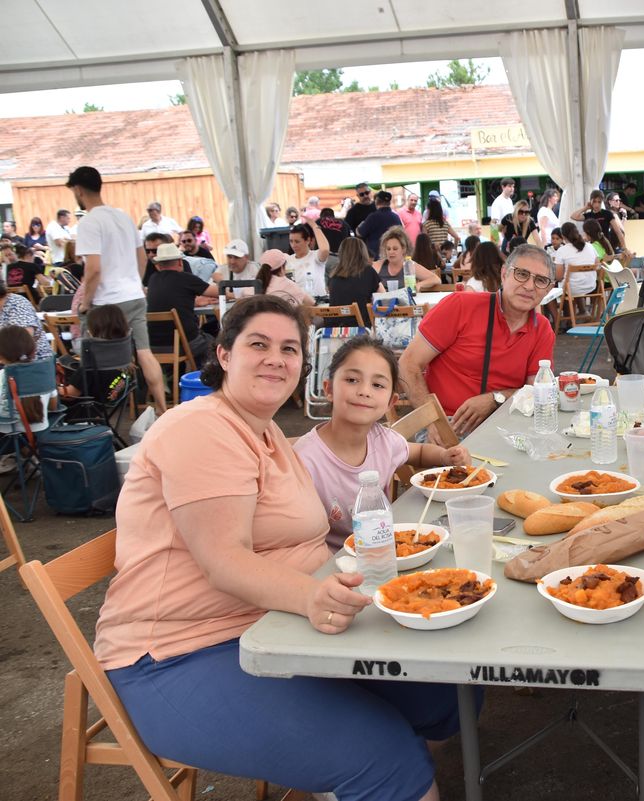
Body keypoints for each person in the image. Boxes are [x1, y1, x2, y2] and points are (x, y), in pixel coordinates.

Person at [95, 294, 468, 801]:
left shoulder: (268, 433)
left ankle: (364, 771)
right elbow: (224, 561)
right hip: (180, 653)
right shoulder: (199, 427)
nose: (276, 358)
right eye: (259, 344)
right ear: (224, 354)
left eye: (289, 349)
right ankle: (382, 773)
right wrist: (312, 594)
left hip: (274, 629)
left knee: (443, 695)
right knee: (384, 758)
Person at [294, 335, 469, 550]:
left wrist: (444, 456)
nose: (364, 391)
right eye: (352, 380)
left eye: (377, 384)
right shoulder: (304, 460)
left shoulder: (384, 441)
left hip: (384, 548)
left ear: (390, 402)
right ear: (329, 389)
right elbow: (297, 536)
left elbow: (420, 452)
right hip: (334, 559)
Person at [398, 244, 556, 444]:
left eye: (540, 280)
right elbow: (408, 363)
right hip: (448, 424)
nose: (529, 286)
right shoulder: (461, 306)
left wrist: (495, 399)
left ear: (548, 289)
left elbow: (536, 393)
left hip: (509, 426)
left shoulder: (542, 329)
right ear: (504, 274)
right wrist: (432, 421)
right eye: (522, 274)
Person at [68, 166, 168, 414]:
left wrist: (85, 303)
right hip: (134, 295)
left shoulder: (88, 222)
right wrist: (134, 282)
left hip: (106, 302)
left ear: (78, 190)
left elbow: (93, 269)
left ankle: (94, 413)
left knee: (92, 359)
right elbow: (142, 258)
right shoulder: (124, 217)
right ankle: (162, 408)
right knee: (145, 352)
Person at [145, 243, 219, 365]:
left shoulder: (152, 280)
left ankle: (175, 375)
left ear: (158, 265)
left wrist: (192, 302)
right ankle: (203, 374)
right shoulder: (185, 278)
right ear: (180, 262)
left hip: (155, 347)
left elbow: (171, 299)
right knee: (212, 343)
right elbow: (218, 292)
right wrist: (236, 293)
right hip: (183, 344)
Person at [59, 303, 130, 402]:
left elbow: (70, 394)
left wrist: (53, 389)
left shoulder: (91, 363)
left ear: (93, 332)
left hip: (84, 407)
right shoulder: (125, 355)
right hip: (110, 403)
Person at [326, 238, 384, 326]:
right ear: (363, 253)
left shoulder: (333, 275)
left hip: (333, 330)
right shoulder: (368, 271)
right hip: (361, 329)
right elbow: (383, 297)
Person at [375, 227, 440, 292]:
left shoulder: (410, 265)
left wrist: (419, 285)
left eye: (395, 249)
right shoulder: (378, 265)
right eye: (388, 249)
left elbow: (436, 279)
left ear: (403, 249)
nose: (391, 252)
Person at [552, 221, 599, 299]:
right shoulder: (590, 246)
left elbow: (559, 277)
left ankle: (565, 307)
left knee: (551, 287)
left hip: (571, 290)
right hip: (591, 286)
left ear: (563, 236)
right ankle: (581, 307)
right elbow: (597, 266)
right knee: (574, 283)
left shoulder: (562, 251)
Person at [285, 222, 330, 297]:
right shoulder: (288, 260)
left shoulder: (315, 256)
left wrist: (315, 226)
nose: (293, 245)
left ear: (308, 240)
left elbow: (325, 250)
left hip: (318, 301)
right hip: (297, 302)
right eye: (291, 241)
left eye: (297, 241)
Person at [356, 191, 402, 258]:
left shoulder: (373, 217)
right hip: (393, 255)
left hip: (377, 256)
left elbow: (360, 233)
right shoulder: (396, 217)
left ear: (376, 201)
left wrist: (359, 226)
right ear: (389, 202)